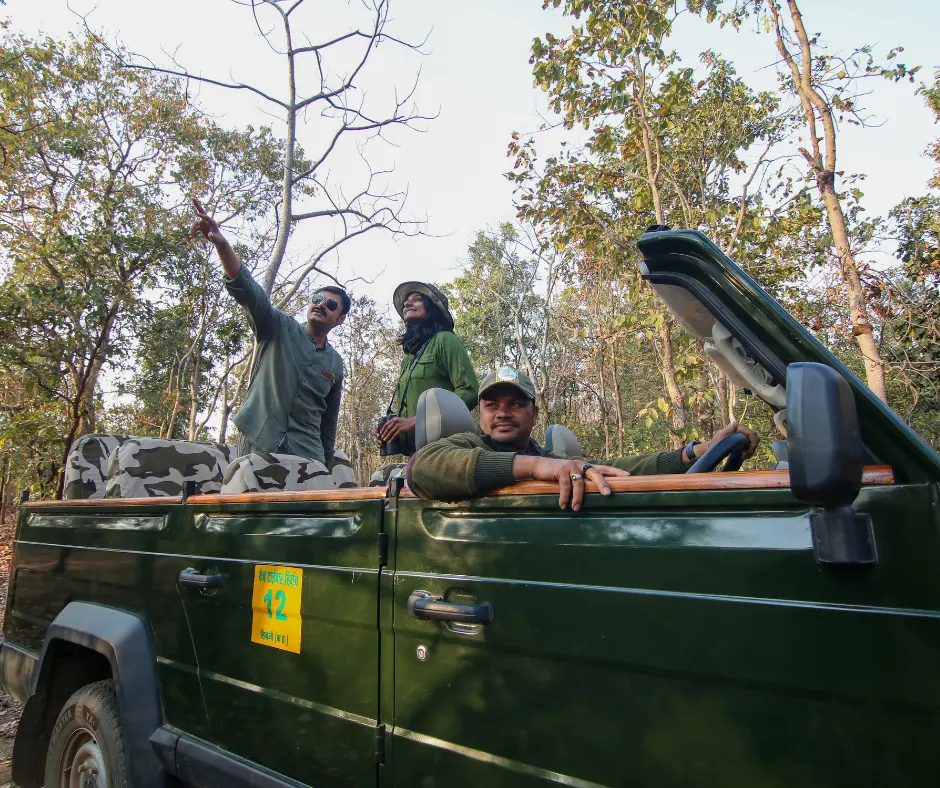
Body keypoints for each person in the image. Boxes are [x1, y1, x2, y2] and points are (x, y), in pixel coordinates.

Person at [407, 367, 760, 509]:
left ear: (534, 413)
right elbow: (421, 469)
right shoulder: (468, 446)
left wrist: (694, 452)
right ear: (480, 414)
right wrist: (538, 467)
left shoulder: (552, 457)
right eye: (491, 405)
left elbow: (617, 469)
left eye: (515, 404)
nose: (502, 412)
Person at [190, 198, 348, 466]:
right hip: (258, 443)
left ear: (340, 318)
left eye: (330, 304)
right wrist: (222, 244)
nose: (321, 304)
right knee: (245, 507)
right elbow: (250, 291)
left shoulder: (336, 363)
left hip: (306, 456)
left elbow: (328, 423)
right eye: (317, 298)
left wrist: (327, 465)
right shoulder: (277, 326)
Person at [376, 281, 478, 457]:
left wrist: (419, 421)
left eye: (417, 299)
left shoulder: (445, 340)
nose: (407, 303)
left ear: (432, 308)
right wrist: (390, 430)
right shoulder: (408, 359)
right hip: (414, 455)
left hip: (445, 450)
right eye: (406, 301)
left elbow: (470, 391)